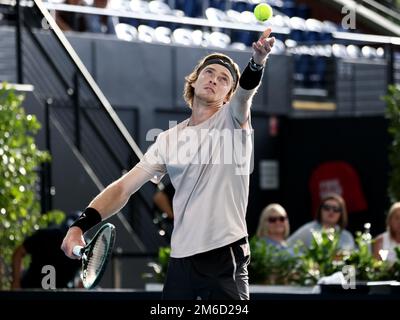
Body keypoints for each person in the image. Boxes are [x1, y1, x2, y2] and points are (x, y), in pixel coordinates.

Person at [61, 27, 276, 300]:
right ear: (194, 81)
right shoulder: (168, 139)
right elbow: (123, 189)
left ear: (227, 95)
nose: (214, 79)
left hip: (224, 256)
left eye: (224, 79)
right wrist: (79, 226)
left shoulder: (233, 119)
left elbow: (246, 91)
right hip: (180, 262)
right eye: (209, 72)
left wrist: (257, 61)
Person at [11, 213, 81, 289]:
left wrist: (16, 282)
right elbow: (19, 252)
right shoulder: (44, 235)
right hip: (33, 290)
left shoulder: (44, 235)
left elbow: (18, 252)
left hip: (54, 293)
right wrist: (16, 282)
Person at [287, 193, 355, 251]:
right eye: (327, 207)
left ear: (341, 213)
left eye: (336, 209)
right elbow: (287, 247)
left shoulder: (346, 236)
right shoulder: (308, 230)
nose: (331, 211)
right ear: (320, 210)